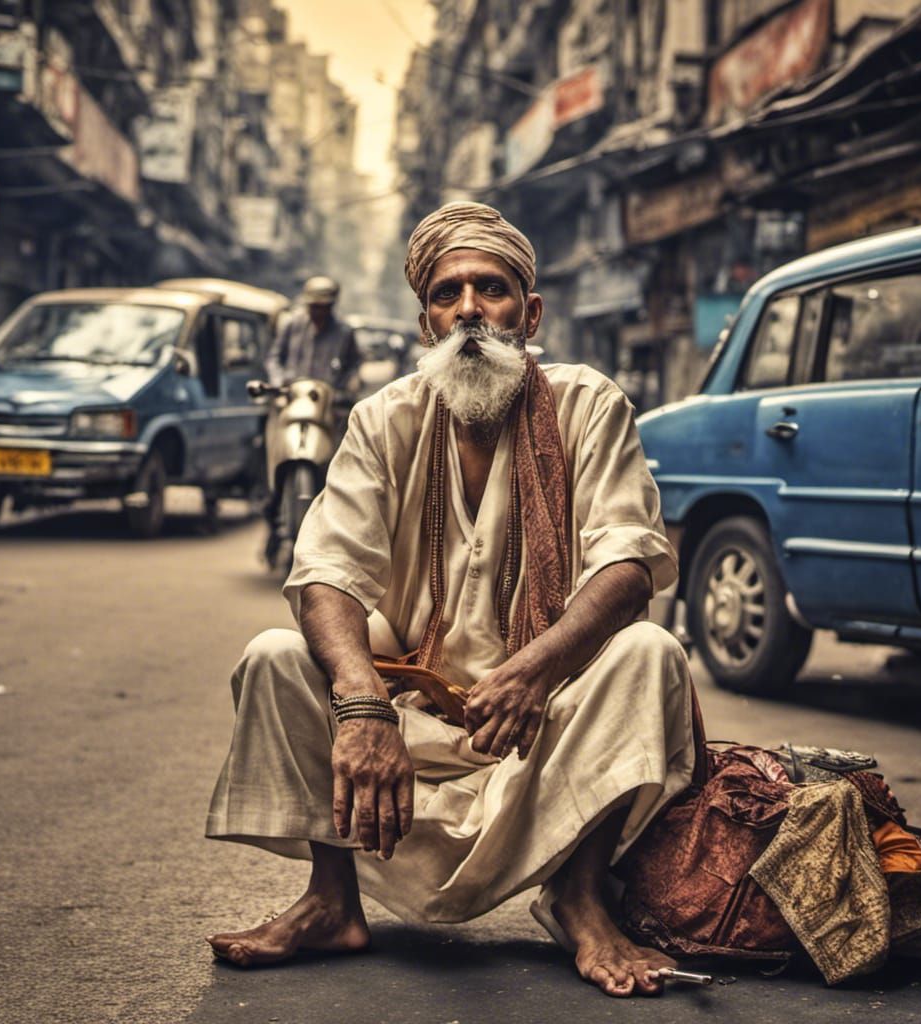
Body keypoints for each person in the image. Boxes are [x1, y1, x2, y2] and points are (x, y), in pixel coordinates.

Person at [205, 201, 697, 998]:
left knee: (652, 652)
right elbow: (326, 569)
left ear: (529, 312)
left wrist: (537, 670)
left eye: (492, 289)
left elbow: (632, 562)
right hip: (406, 716)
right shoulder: (382, 418)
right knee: (275, 654)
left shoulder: (587, 405)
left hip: (545, 719)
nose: (469, 308)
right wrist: (364, 707)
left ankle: (577, 895)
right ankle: (333, 900)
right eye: (447, 294)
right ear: (426, 323)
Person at [267, 275, 360, 391]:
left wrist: (343, 385)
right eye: (314, 307)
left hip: (327, 398)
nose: (319, 312)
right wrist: (278, 381)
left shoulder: (344, 332)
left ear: (331, 306)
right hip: (292, 393)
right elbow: (274, 358)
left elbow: (353, 364)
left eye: (323, 307)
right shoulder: (293, 325)